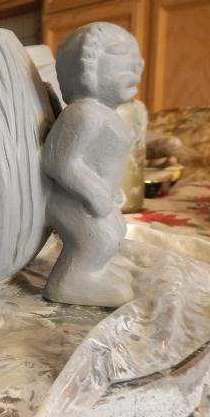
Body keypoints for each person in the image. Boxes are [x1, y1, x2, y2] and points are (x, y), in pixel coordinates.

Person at [42, 22, 145, 307]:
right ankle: (69, 282)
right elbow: (58, 161)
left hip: (94, 198)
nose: (138, 65)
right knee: (101, 237)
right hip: (70, 198)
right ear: (86, 67)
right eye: (121, 53)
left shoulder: (106, 114)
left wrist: (111, 192)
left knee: (115, 232)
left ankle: (93, 272)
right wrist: (94, 192)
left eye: (137, 58)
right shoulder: (84, 113)